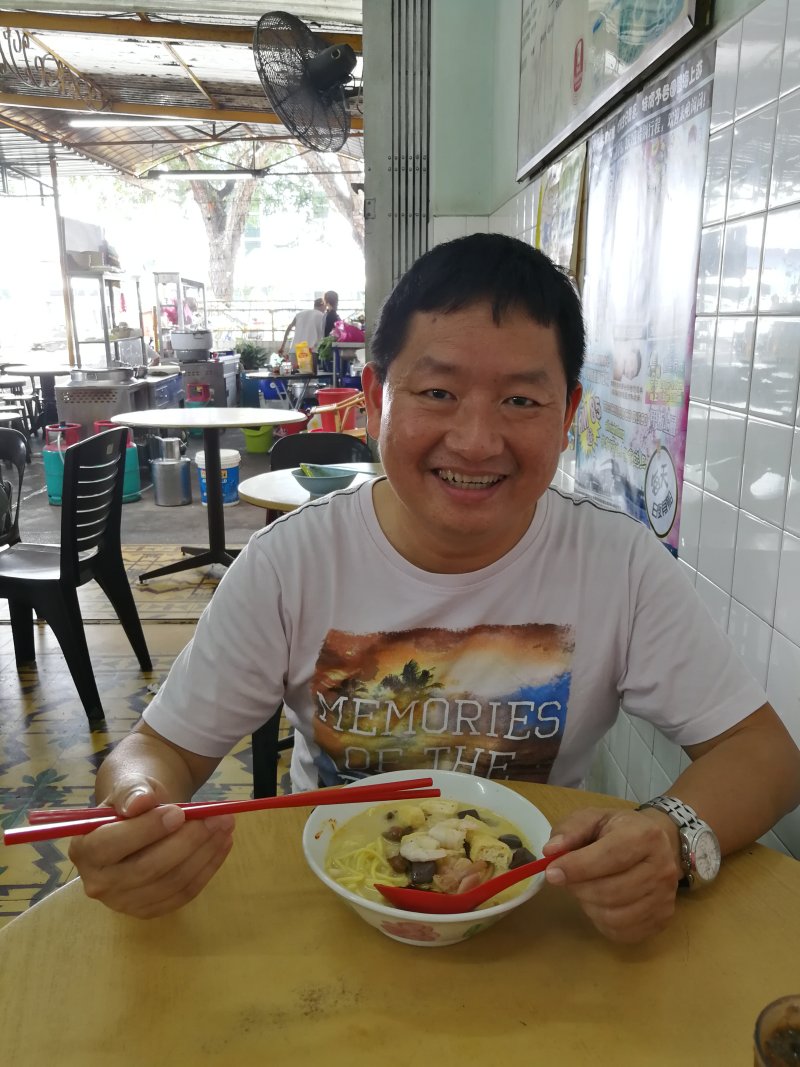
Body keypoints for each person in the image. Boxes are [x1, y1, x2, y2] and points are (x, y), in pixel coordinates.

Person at [70, 234, 800, 940]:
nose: (477, 440)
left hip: (536, 926)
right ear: (376, 400)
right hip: (328, 918)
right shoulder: (290, 562)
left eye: (521, 401)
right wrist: (137, 806)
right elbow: (158, 749)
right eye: (439, 391)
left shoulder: (620, 565)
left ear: (569, 414)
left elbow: (764, 754)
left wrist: (673, 837)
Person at [278, 298, 325, 364]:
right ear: (323, 305)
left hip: (295, 351)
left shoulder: (300, 314)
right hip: (310, 351)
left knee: (294, 373)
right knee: (309, 374)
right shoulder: (322, 316)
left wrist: (282, 346)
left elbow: (289, 328)